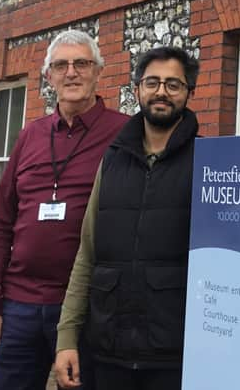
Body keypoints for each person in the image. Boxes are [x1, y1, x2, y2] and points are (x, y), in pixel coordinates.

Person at [0, 29, 130, 390]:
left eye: (81, 63)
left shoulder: (125, 134)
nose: (71, 72)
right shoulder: (30, 135)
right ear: (49, 76)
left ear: (98, 71)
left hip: (86, 310)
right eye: (61, 65)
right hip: (18, 306)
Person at [54, 46, 199, 390]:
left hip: (174, 356)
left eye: (173, 84)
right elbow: (86, 255)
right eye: (152, 82)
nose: (161, 91)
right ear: (137, 89)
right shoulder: (112, 161)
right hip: (108, 350)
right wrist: (66, 339)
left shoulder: (207, 162)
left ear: (188, 93)